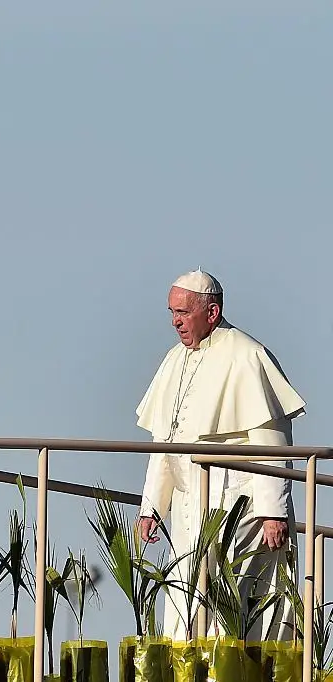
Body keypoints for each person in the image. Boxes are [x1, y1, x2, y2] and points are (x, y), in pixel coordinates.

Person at [134, 268, 306, 641]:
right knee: (183, 598)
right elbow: (165, 440)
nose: (175, 321)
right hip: (187, 506)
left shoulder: (247, 354)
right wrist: (152, 507)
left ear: (211, 313)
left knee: (227, 600)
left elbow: (272, 440)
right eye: (172, 312)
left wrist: (273, 511)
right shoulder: (174, 359)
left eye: (183, 312)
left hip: (237, 502)